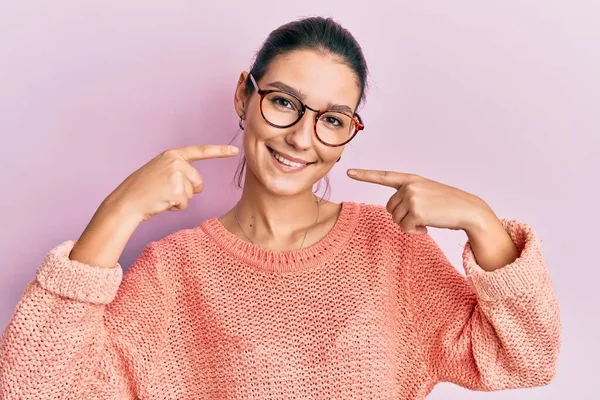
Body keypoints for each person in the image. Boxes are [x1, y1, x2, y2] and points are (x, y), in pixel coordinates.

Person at [0, 16, 560, 400]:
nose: (301, 138)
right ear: (245, 96)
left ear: (347, 134)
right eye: (285, 103)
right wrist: (117, 212)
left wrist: (480, 220)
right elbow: (32, 387)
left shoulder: (389, 247)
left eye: (333, 119)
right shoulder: (174, 272)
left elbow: (525, 358)